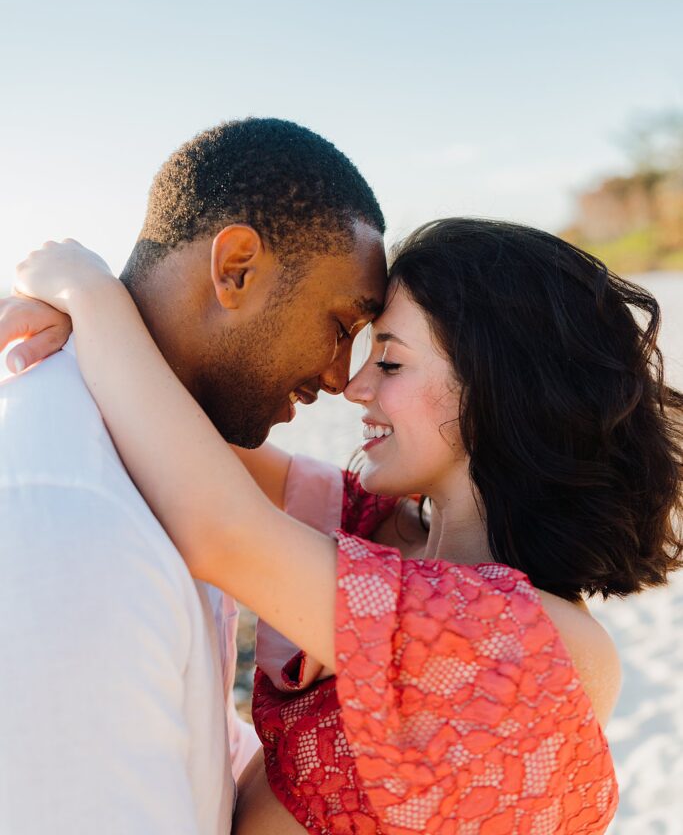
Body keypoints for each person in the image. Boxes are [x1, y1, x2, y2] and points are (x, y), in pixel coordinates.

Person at [4, 220, 683, 835]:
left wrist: (90, 292)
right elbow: (189, 425)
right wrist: (82, 338)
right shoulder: (383, 530)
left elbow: (219, 528)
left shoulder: (541, 640)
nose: (354, 387)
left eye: (389, 362)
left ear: (501, 389)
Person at [0, 117, 387, 834]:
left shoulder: (164, 467)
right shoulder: (72, 519)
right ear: (235, 268)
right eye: (340, 324)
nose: (341, 377)